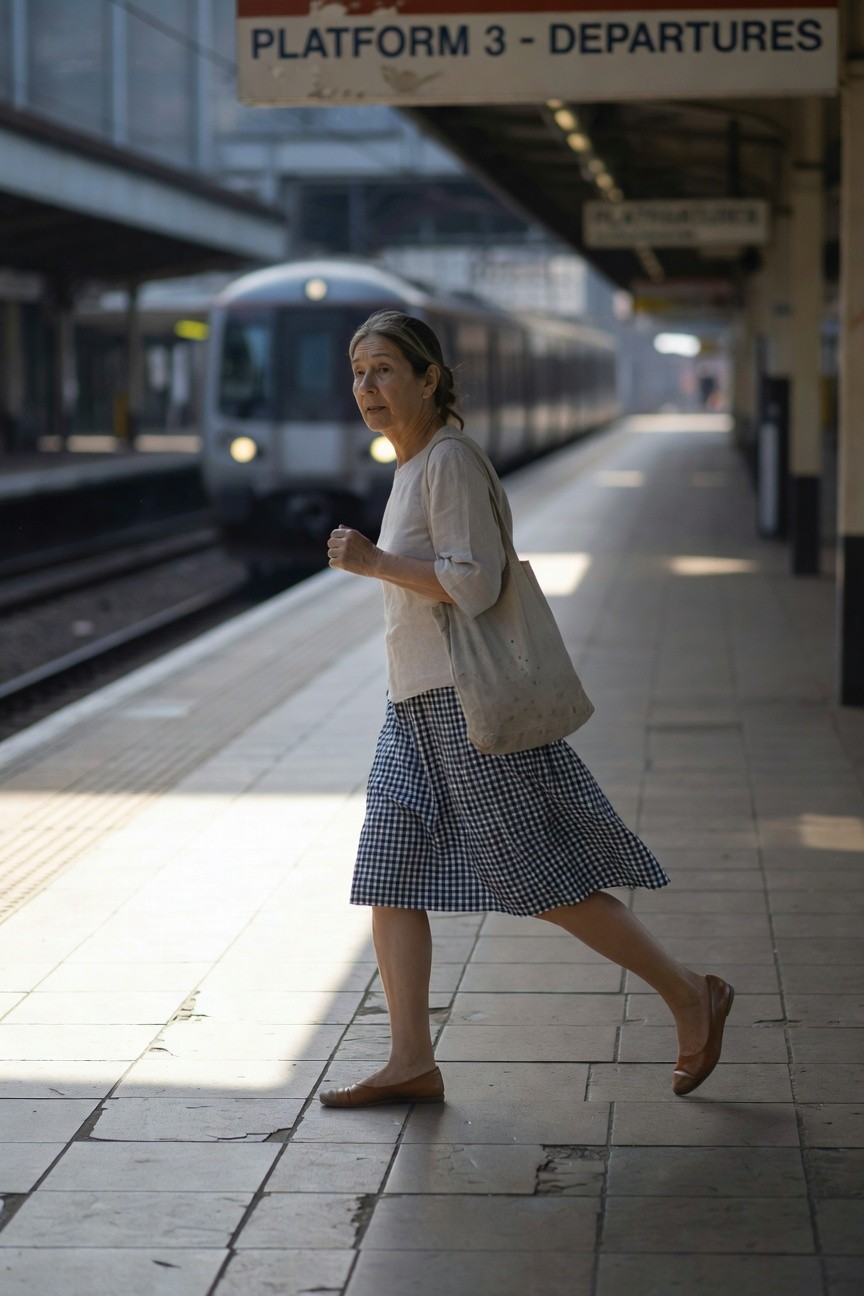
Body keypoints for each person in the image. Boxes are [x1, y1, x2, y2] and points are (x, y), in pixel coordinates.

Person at [321, 310, 733, 1108]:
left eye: (383, 370)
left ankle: (690, 994)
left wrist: (375, 562)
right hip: (412, 707)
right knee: (390, 873)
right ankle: (411, 1059)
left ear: (430, 377)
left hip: (465, 706)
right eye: (358, 372)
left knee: (544, 878)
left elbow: (475, 584)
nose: (366, 388)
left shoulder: (446, 462)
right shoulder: (410, 463)